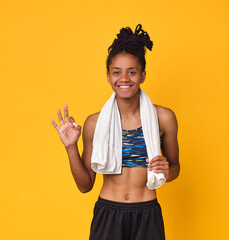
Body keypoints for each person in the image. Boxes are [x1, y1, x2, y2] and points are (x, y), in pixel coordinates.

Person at [51, 24, 180, 240]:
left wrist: (167, 170)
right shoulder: (95, 123)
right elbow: (85, 185)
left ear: (143, 75)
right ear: (109, 76)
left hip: (147, 213)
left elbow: (175, 168)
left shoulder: (164, 118)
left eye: (132, 72)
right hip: (108, 214)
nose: (124, 78)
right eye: (116, 72)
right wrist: (71, 147)